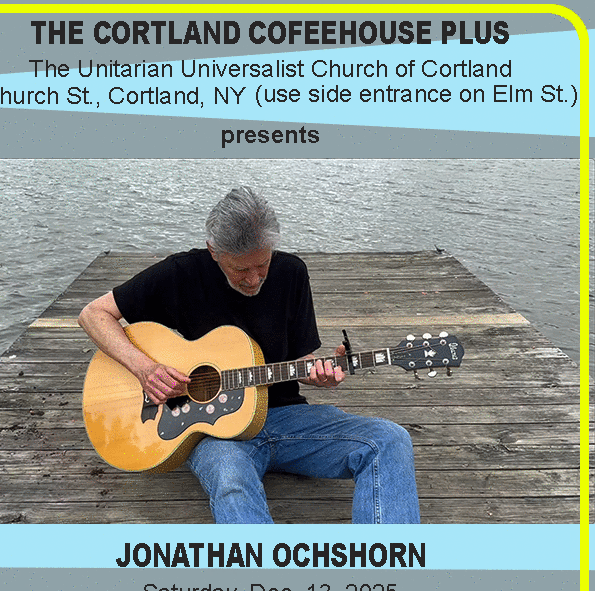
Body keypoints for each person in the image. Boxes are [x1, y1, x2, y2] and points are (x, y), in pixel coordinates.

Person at [78, 187, 420, 524]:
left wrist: (319, 374)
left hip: (286, 419)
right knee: (231, 483)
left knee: (390, 440)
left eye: (263, 263)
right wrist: (144, 367)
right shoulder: (180, 274)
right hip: (214, 433)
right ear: (214, 251)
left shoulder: (292, 274)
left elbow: (303, 361)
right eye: (241, 269)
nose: (254, 278)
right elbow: (93, 314)